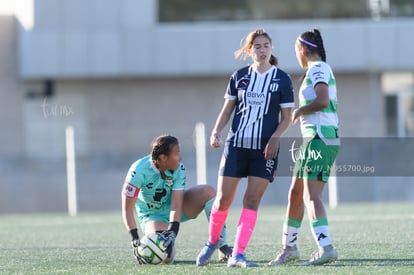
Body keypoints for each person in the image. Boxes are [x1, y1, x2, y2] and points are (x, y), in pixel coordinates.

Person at [196, 28, 294, 268]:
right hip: (236, 145)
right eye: (257, 47)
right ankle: (212, 242)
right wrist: (216, 130)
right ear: (250, 51)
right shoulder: (239, 76)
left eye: (266, 45)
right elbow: (228, 109)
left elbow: (287, 117)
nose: (262, 50)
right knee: (223, 200)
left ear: (271, 48)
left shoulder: (282, 79)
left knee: (251, 200)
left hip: (264, 150)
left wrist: (274, 139)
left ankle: (237, 254)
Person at [268, 28, 340, 266]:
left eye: (295, 51)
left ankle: (325, 247)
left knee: (312, 195)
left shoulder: (318, 68)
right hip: (312, 140)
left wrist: (300, 110)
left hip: (320, 138)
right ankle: (289, 248)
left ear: (302, 49)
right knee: (296, 194)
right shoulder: (316, 69)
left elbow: (323, 100)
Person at [121, 134, 232, 264]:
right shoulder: (137, 171)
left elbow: (176, 205)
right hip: (153, 216)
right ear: (163, 158)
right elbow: (127, 209)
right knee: (166, 257)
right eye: (176, 153)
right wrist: (135, 238)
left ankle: (222, 246)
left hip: (176, 209)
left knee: (208, 192)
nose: (180, 157)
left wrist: (173, 231)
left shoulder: (179, 168)